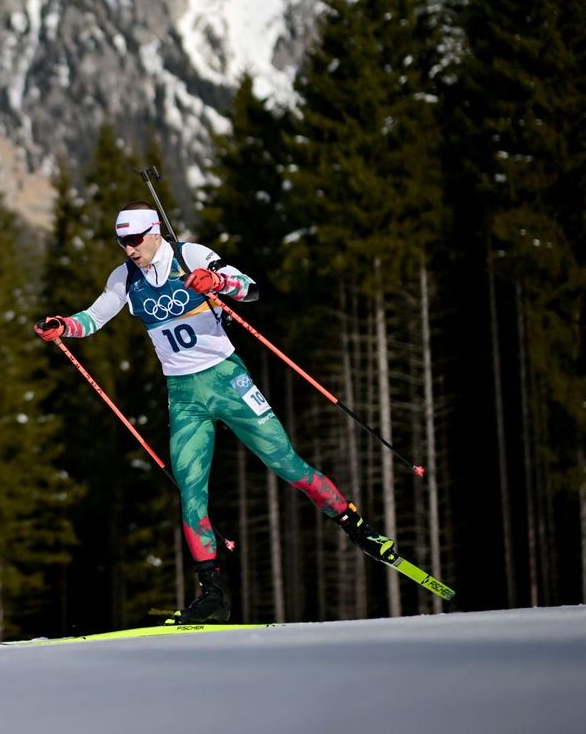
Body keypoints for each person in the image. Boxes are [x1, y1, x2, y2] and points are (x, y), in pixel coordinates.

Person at [34, 201, 393, 624]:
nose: (128, 249)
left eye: (133, 240)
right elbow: (94, 317)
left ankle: (355, 524)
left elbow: (250, 287)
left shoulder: (191, 256)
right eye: (121, 242)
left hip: (228, 381)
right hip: (183, 394)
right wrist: (64, 325)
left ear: (154, 233)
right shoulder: (124, 277)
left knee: (287, 465)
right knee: (190, 491)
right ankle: (213, 594)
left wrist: (217, 281)